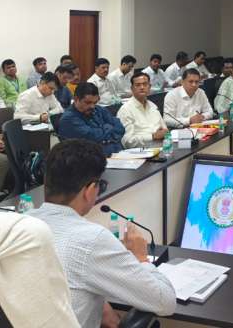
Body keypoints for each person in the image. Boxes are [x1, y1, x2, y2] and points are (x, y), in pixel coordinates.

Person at [28, 140, 176, 328]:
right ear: (90, 190)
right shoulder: (91, 239)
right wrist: (141, 258)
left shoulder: (22, 223)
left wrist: (102, 307)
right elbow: (166, 302)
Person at [59, 82, 124, 156]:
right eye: (88, 103)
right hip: (90, 158)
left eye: (95, 102)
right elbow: (93, 137)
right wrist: (108, 128)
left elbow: (120, 128)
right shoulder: (68, 119)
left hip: (116, 153)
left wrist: (105, 133)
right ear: (76, 99)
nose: (92, 106)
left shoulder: (98, 109)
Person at [118, 72, 168, 148]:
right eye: (138, 85)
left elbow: (165, 130)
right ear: (132, 88)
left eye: (145, 84)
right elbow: (127, 141)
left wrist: (164, 133)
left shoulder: (153, 106)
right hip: (141, 151)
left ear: (149, 87)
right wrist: (152, 136)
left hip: (161, 146)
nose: (142, 87)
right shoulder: (125, 110)